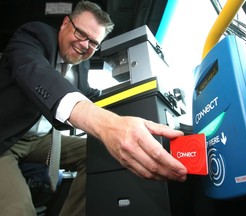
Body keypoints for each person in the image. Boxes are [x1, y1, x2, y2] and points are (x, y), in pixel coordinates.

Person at [0, 1, 187, 215]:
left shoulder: (82, 66)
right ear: (64, 24)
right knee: (18, 210)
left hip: (40, 140)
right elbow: (36, 72)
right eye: (80, 33)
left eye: (93, 43)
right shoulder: (35, 35)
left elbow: (89, 95)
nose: (84, 45)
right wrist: (105, 125)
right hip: (6, 139)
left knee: (100, 152)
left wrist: (136, 100)